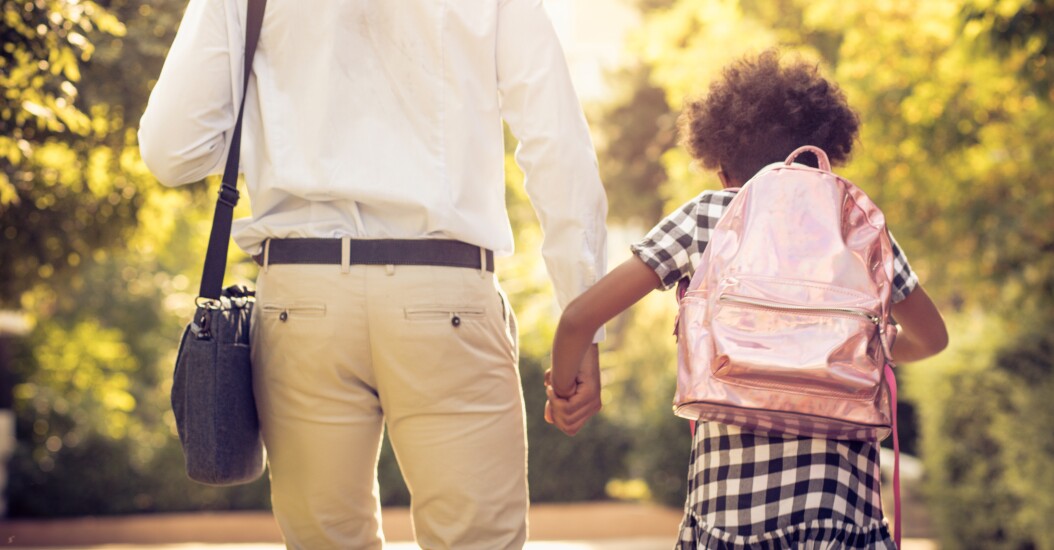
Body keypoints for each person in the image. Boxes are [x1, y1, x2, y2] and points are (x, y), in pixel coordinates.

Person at [138, 1, 608, 548]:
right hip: (445, 294)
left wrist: (286, 136)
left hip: (302, 298)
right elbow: (557, 145)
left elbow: (172, 151)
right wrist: (584, 322)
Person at [545, 49, 948, 548]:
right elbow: (933, 337)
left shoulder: (707, 216)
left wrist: (567, 393)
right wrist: (876, 346)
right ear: (825, 155)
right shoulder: (856, 227)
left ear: (721, 169)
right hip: (845, 516)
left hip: (729, 517)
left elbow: (579, 318)